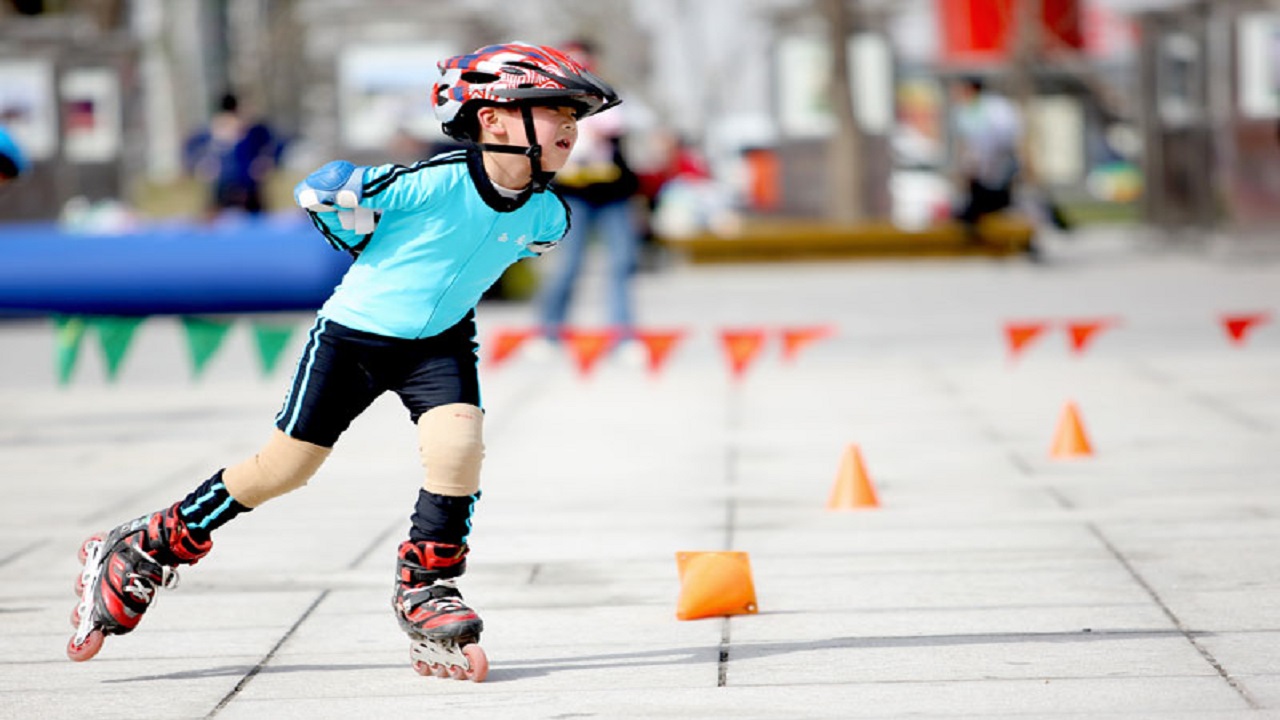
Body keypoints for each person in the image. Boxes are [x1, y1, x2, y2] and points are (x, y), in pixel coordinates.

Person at [67, 43, 620, 678]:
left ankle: (427, 585)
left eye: (576, 115)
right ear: (493, 119)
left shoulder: (548, 216)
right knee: (283, 469)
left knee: (459, 449)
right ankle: (149, 543)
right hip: (353, 336)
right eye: (554, 111)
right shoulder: (431, 180)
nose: (572, 128)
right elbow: (323, 196)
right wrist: (336, 200)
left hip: (439, 342)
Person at [538, 39, 641, 347]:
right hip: (573, 195)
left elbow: (628, 128)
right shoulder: (548, 102)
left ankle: (622, 336)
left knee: (622, 263)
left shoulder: (610, 96)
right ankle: (549, 332)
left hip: (612, 193)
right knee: (567, 265)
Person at [183, 92, 281, 218]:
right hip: (224, 183)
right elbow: (192, 148)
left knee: (256, 218)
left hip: (246, 183)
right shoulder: (213, 130)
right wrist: (199, 165)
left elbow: (273, 145)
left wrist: (265, 161)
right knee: (212, 218)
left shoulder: (252, 129)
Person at [949, 76, 1023, 242]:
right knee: (985, 203)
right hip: (981, 167)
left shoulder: (991, 108)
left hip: (995, 166)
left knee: (992, 201)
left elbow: (1000, 139)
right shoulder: (966, 110)